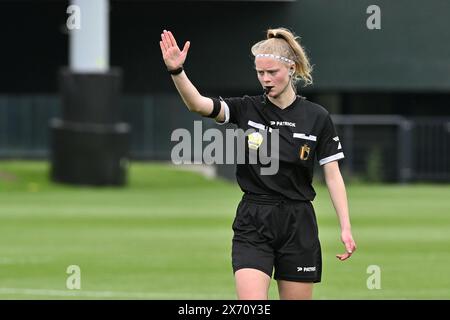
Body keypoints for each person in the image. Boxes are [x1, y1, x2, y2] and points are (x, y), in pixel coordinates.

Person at [159, 27, 356, 300]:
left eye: (272, 72)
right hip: (254, 219)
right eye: (260, 73)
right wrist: (177, 72)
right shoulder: (247, 108)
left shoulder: (317, 116)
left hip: (298, 222)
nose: (265, 79)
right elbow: (199, 105)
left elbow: (333, 176)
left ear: (292, 68)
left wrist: (345, 226)